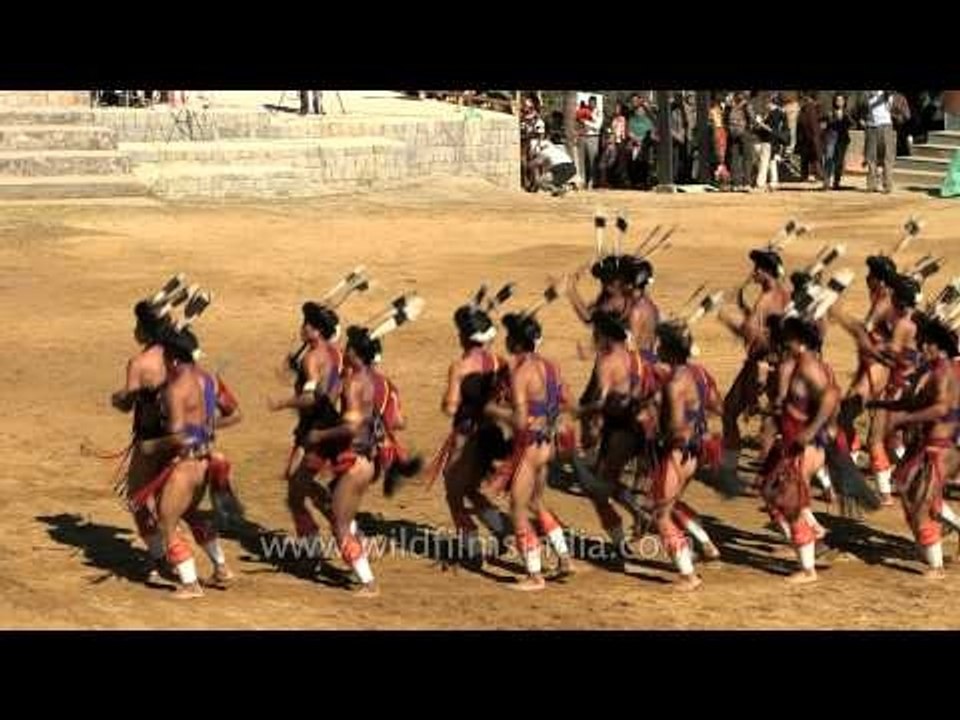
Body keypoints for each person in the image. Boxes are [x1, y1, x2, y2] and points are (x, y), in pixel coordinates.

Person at [862, 91, 897, 193]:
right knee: (871, 156)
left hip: (886, 125)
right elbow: (862, 105)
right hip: (871, 126)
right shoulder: (867, 93)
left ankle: (887, 184)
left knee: (888, 156)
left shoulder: (887, 94)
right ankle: (872, 184)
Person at [822, 93, 854, 190]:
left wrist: (848, 120)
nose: (839, 102)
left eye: (841, 100)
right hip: (831, 137)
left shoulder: (847, 113)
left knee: (839, 161)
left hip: (842, 139)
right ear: (834, 102)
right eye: (837, 100)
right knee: (829, 158)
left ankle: (836, 182)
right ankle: (826, 182)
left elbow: (853, 124)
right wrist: (827, 122)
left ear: (844, 102)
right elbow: (823, 122)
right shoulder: (829, 112)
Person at [577, 95, 603, 189]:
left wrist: (587, 120)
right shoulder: (583, 111)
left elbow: (597, 126)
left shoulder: (598, 112)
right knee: (583, 161)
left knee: (593, 160)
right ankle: (584, 180)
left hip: (593, 138)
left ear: (595, 103)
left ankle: (593, 181)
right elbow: (579, 120)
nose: (591, 104)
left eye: (593, 103)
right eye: (590, 102)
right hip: (583, 137)